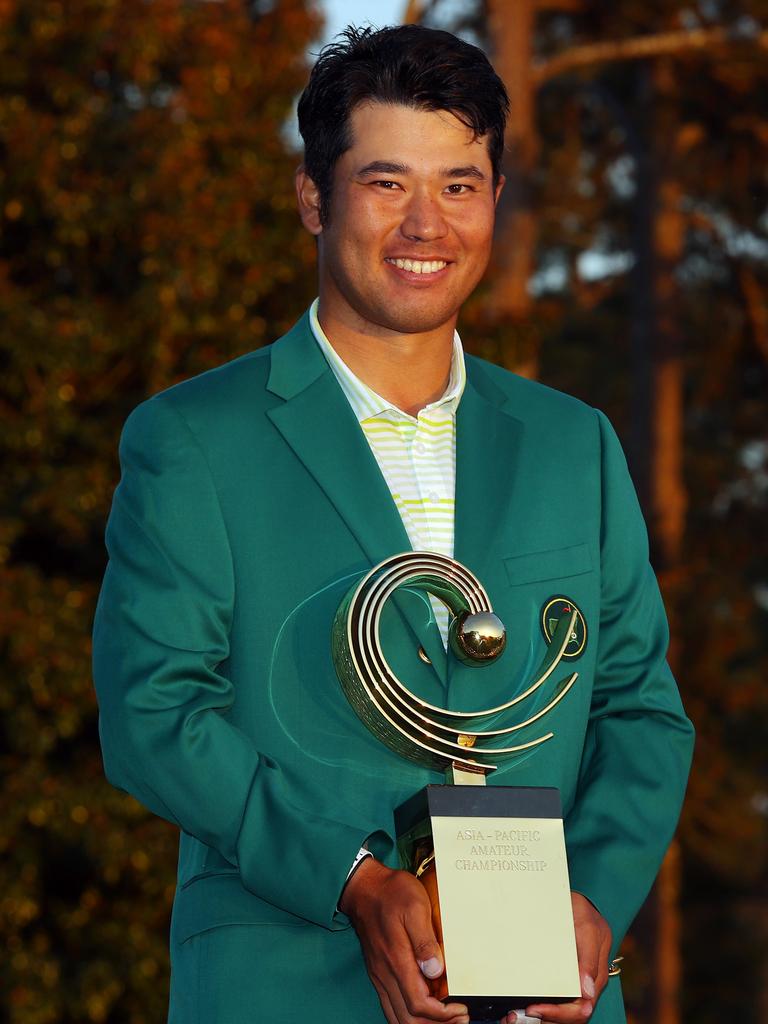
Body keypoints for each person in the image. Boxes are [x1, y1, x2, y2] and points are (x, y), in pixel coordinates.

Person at [92, 24, 694, 1024]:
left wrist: (590, 897)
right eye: (385, 184)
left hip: (545, 1003)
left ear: (496, 198)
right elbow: (154, 712)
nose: (427, 225)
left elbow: (639, 709)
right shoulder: (192, 439)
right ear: (312, 199)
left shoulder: (571, 444)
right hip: (287, 985)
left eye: (459, 185)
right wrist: (352, 879)